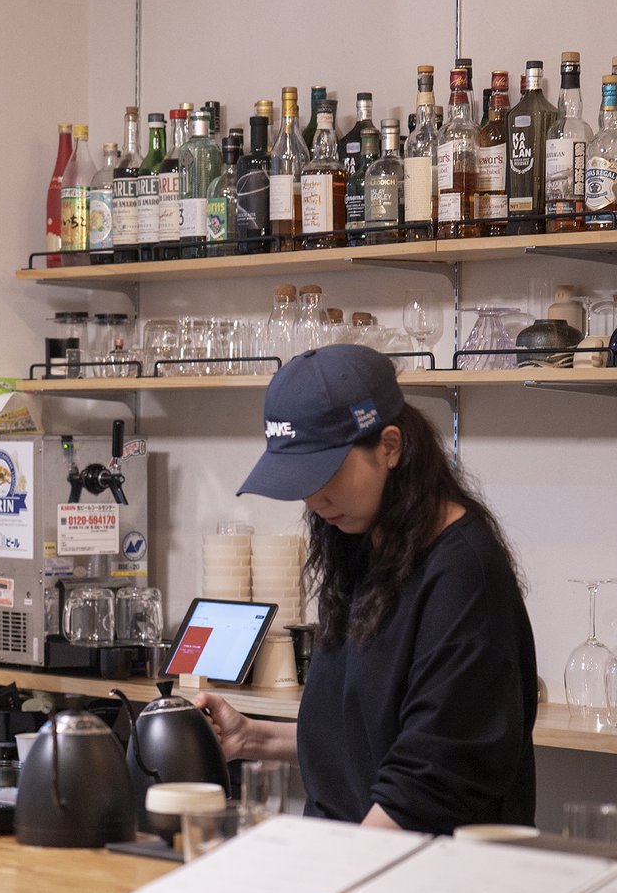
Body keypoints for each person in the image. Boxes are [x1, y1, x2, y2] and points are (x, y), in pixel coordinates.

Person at [197, 344, 536, 832]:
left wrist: (338, 870)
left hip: (424, 869)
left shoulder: (464, 577)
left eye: (325, 473)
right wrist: (251, 738)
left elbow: (427, 782)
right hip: (353, 855)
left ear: (390, 447)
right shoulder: (365, 546)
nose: (313, 499)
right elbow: (361, 732)